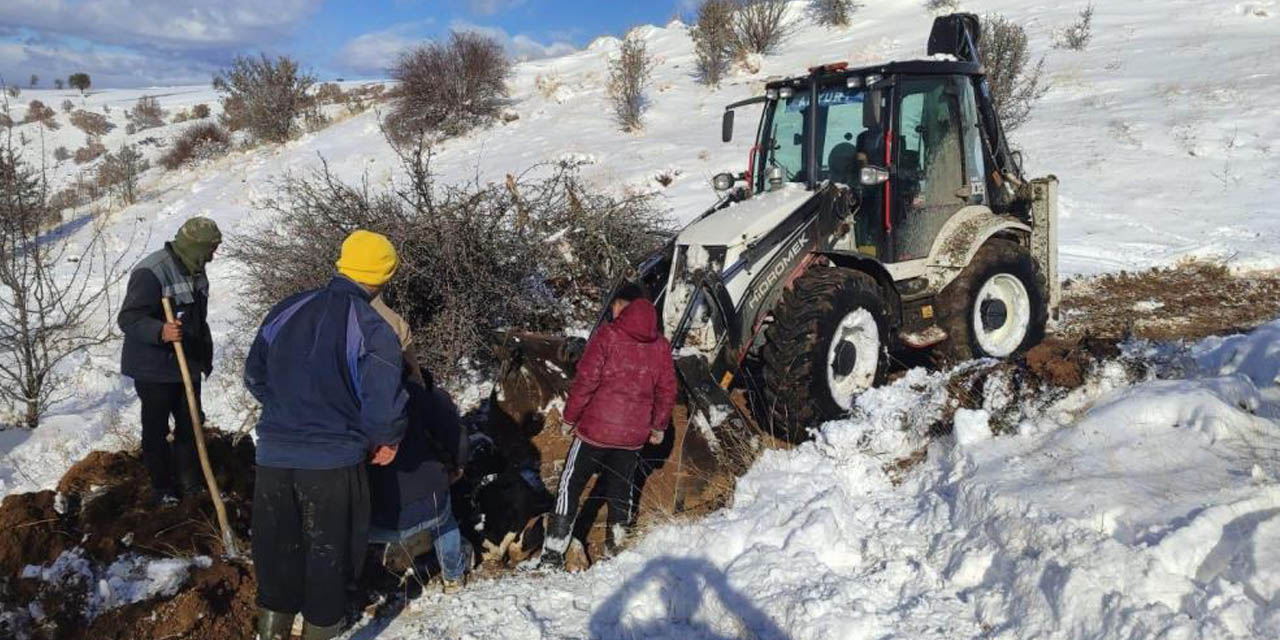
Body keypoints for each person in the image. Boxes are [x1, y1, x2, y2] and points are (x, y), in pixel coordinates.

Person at [244, 230, 409, 640]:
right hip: (334, 463)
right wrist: (385, 439)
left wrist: (285, 413)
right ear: (383, 276)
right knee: (329, 555)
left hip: (274, 457)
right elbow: (384, 402)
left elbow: (254, 376)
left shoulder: (286, 309)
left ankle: (271, 634)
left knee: (275, 551)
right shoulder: (373, 327)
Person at [541, 283, 678, 569]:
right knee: (621, 489)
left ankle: (552, 554)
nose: (613, 309)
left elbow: (586, 381)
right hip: (632, 436)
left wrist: (570, 417)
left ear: (624, 306)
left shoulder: (608, 335)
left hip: (595, 432)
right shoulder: (661, 345)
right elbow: (667, 390)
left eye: (616, 304)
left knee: (570, 484)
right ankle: (616, 552)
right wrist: (658, 427)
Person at [117, 217, 221, 506]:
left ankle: (190, 486)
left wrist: (202, 357)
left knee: (191, 425)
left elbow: (198, 320)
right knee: (156, 429)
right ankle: (162, 488)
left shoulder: (196, 270)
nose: (214, 254)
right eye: (211, 248)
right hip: (153, 367)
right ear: (196, 247)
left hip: (186, 364)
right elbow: (129, 318)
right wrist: (160, 330)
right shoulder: (152, 272)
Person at [367, 380, 472, 594]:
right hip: (429, 506)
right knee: (446, 522)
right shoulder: (426, 395)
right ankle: (453, 576)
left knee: (341, 530)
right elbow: (457, 438)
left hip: (372, 522)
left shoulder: (344, 397)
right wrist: (458, 466)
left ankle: (351, 584)